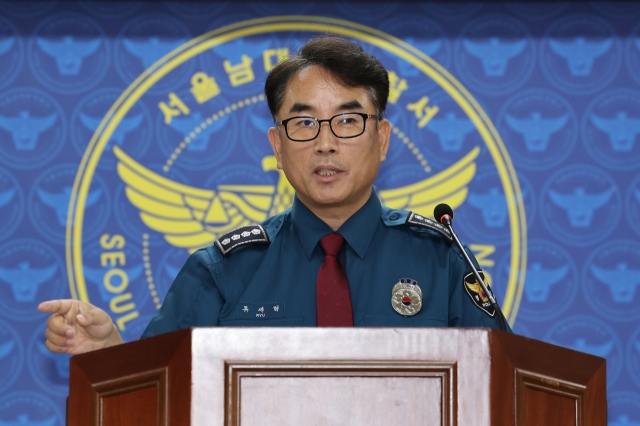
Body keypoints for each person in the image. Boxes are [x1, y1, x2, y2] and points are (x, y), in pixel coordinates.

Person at [38, 36, 509, 355]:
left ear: (382, 139)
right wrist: (111, 355)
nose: (326, 143)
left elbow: (503, 386)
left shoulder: (442, 259)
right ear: (277, 147)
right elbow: (160, 391)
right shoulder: (224, 270)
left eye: (347, 121)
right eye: (304, 123)